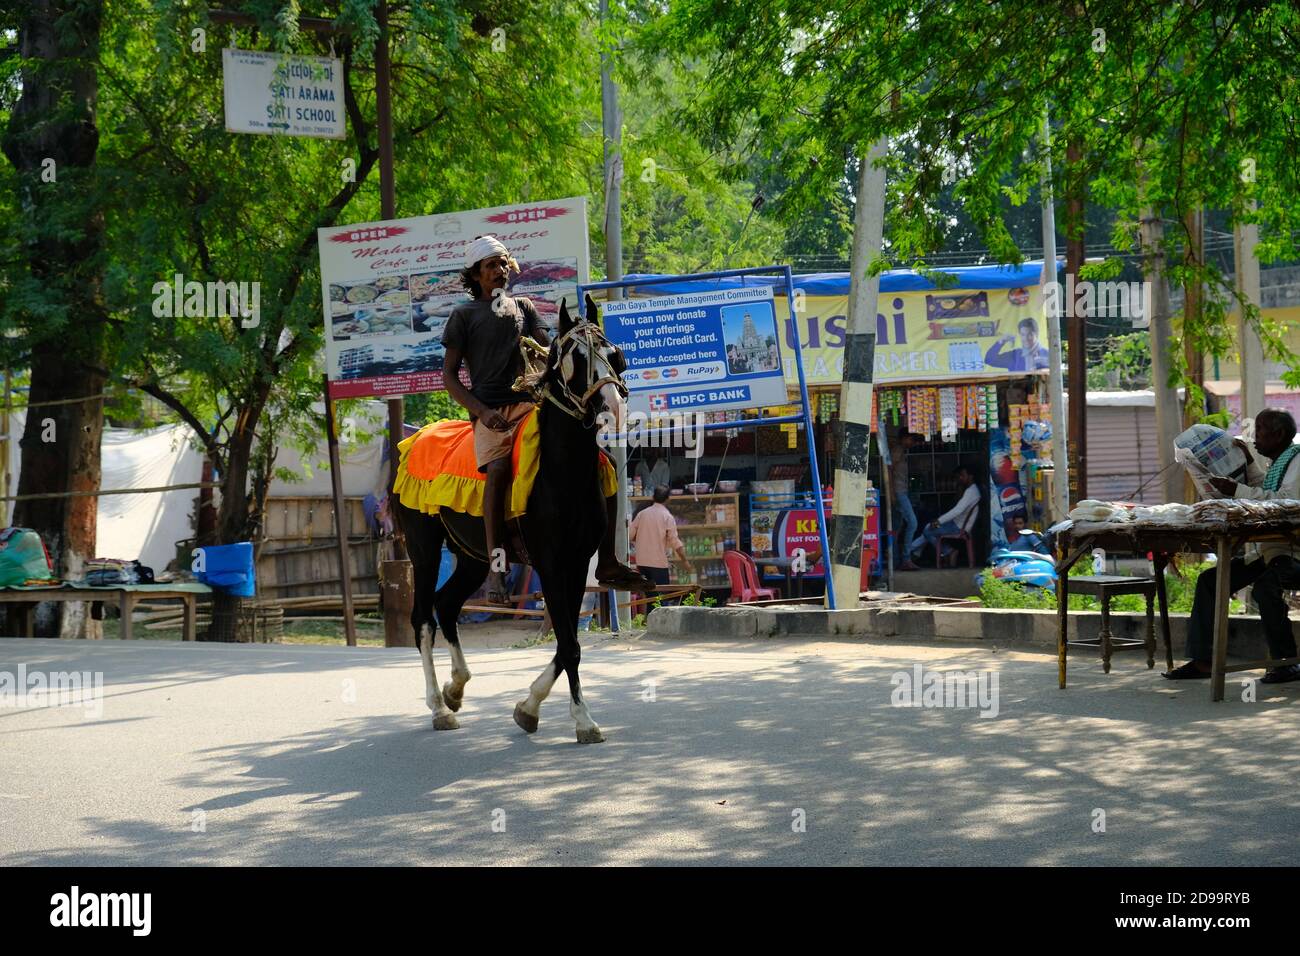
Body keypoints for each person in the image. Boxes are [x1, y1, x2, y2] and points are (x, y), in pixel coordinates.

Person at [442, 234, 648, 604]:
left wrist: (580, 338)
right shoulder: (463, 316)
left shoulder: (524, 307)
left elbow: (552, 348)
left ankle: (608, 559)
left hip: (531, 407)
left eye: (504, 263)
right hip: (491, 414)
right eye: (491, 266)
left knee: (602, 465)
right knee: (501, 470)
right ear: (475, 275)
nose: (500, 271)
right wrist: (482, 413)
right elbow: (449, 377)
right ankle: (496, 567)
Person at [1164, 408, 1300, 683]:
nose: (1254, 437)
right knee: (1210, 581)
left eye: (1260, 431)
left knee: (1265, 588)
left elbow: (1286, 502)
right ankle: (1203, 661)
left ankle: (1286, 662)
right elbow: (1266, 488)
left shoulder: (1298, 461)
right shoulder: (1280, 463)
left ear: (1280, 434)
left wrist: (1236, 490)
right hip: (1270, 552)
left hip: (1292, 552)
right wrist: (1248, 463)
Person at [910, 465, 980, 565]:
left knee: (927, 530)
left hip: (957, 527)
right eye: (959, 476)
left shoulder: (971, 492)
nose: (960, 478)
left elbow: (957, 510)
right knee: (929, 526)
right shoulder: (970, 490)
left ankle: (948, 551)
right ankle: (915, 553)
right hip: (954, 523)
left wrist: (939, 521)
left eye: (962, 475)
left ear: (971, 476)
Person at [629, 486, 688, 588]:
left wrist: (641, 538)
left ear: (653, 497)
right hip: (658, 564)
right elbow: (675, 541)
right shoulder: (667, 517)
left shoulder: (642, 514)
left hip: (642, 563)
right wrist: (685, 561)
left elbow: (630, 535)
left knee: (648, 597)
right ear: (668, 499)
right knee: (660, 598)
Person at [888, 430, 923, 570]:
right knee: (913, 523)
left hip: (900, 492)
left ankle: (896, 560)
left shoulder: (901, 451)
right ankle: (906, 558)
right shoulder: (898, 450)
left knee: (896, 528)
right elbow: (889, 471)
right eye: (912, 439)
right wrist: (891, 493)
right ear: (905, 438)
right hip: (899, 492)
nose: (913, 443)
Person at [984, 317, 1050, 372]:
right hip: (1017, 387)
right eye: (1023, 334)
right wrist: (1001, 341)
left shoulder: (1048, 354)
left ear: (1037, 334)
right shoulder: (1016, 355)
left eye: (1030, 334)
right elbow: (989, 360)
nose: (1026, 338)